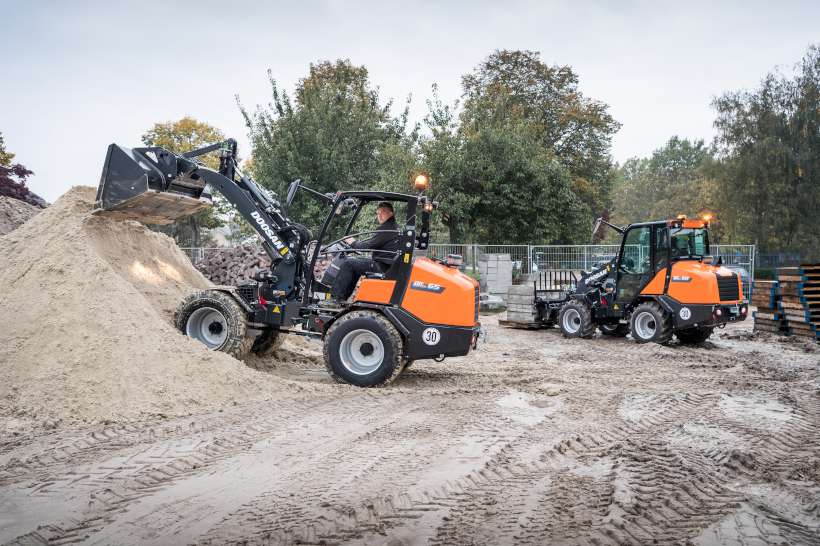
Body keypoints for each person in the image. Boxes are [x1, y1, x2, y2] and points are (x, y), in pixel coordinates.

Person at [331, 201, 400, 300]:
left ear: (391, 213)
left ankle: (335, 299)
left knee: (348, 263)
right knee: (355, 265)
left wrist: (352, 242)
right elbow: (373, 243)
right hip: (386, 264)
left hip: (381, 266)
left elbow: (367, 246)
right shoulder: (392, 227)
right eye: (378, 213)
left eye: (383, 212)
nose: (379, 215)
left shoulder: (387, 229)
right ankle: (342, 298)